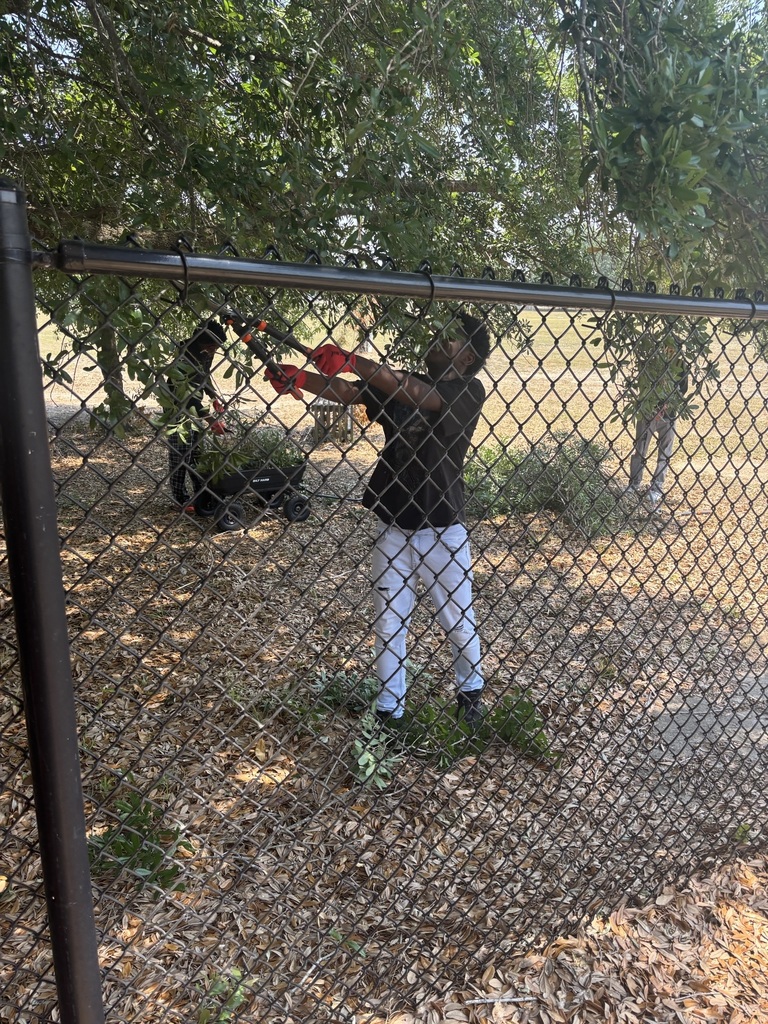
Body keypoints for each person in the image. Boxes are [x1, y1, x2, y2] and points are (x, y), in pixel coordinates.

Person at [264, 312, 491, 731]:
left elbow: (415, 392)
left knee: (457, 620)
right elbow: (350, 393)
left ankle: (471, 691)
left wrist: (354, 358)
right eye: (440, 331)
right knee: (389, 621)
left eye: (451, 338)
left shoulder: (468, 391)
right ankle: (390, 713)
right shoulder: (400, 382)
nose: (438, 338)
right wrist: (299, 378)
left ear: (468, 357)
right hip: (393, 526)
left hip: (443, 529)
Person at [165, 320, 227, 511]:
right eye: (213, 347)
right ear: (204, 343)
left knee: (196, 453)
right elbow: (186, 398)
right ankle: (180, 499)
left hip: (196, 405)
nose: (215, 351)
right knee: (179, 456)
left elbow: (205, 376)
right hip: (178, 409)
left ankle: (201, 494)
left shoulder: (205, 353)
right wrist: (211, 420)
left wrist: (213, 396)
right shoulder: (185, 358)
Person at [628, 339, 689, 509]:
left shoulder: (682, 366)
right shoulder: (653, 363)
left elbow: (682, 390)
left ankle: (656, 488)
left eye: (673, 348)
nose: (669, 351)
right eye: (667, 347)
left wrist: (667, 405)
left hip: (668, 416)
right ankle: (634, 484)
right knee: (640, 449)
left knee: (665, 453)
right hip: (647, 413)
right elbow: (643, 385)